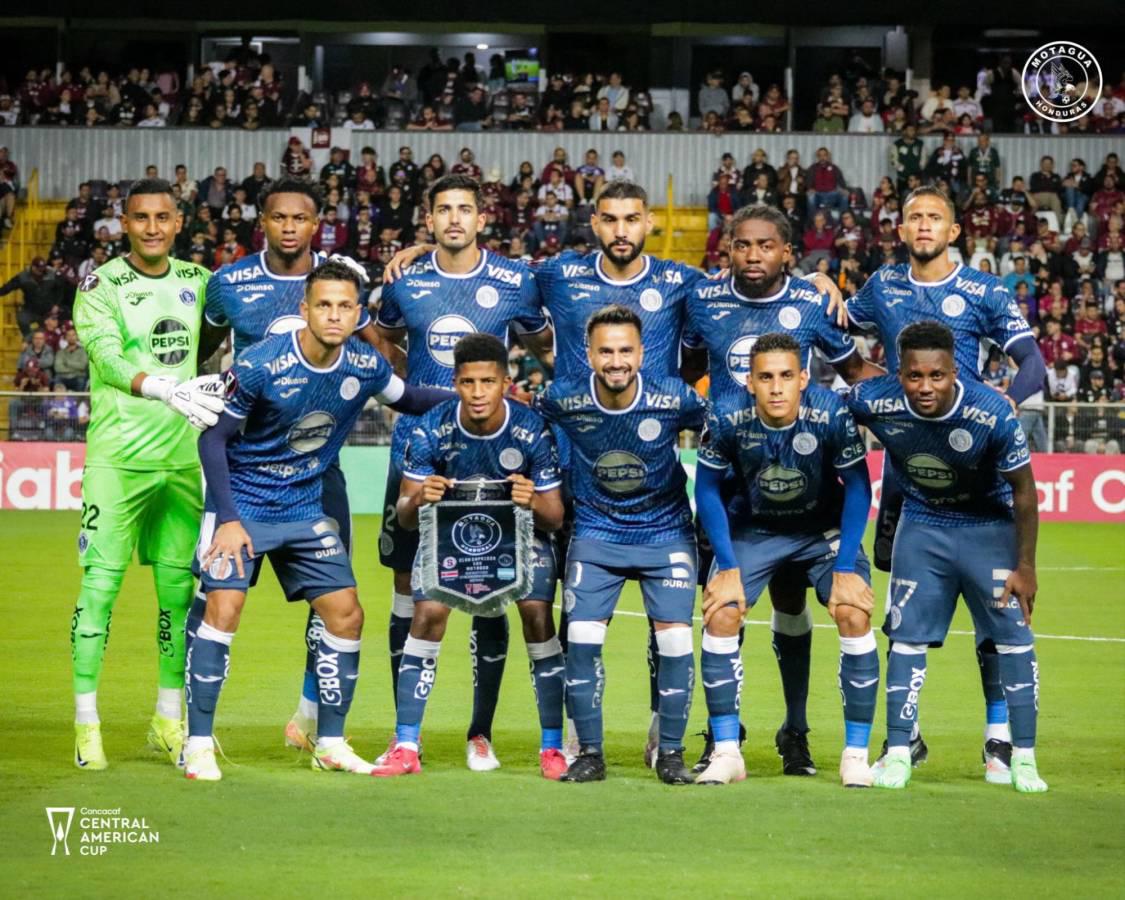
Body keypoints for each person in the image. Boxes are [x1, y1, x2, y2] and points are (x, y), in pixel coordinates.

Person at [185, 260, 450, 781]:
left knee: (347, 615)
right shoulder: (261, 364)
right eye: (323, 305)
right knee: (225, 608)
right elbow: (212, 439)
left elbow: (414, 399)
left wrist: (473, 398)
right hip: (244, 503)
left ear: (358, 313)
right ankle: (197, 744)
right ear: (305, 310)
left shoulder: (365, 366)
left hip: (305, 508)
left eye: (344, 306)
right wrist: (229, 521)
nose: (334, 315)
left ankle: (328, 741)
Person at [826, 186, 1047, 778]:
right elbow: (835, 329)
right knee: (903, 605)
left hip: (974, 462)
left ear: (954, 232)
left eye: (935, 218)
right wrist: (818, 286)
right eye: (914, 217)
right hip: (908, 472)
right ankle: (908, 735)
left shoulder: (983, 290)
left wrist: (1003, 400)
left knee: (989, 612)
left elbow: (1034, 364)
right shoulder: (881, 286)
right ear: (901, 229)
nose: (924, 226)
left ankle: (1000, 736)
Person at [196, 177, 402, 754]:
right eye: (278, 217)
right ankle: (194, 729)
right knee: (217, 595)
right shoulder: (230, 282)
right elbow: (206, 349)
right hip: (247, 467)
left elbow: (374, 362)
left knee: (334, 595)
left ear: (318, 224)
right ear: (262, 219)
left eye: (301, 218)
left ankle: (311, 718)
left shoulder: (341, 280)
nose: (289, 227)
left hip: (318, 471)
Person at [683, 204, 882, 775]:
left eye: (766, 246)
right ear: (727, 250)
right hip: (742, 504)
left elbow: (859, 374)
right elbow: (682, 362)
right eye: (742, 245)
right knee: (724, 607)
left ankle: (800, 733)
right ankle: (724, 740)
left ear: (786, 252)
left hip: (810, 508)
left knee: (803, 610)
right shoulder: (702, 300)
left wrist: (921, 415)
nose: (753, 256)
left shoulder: (814, 302)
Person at [373, 174, 552, 770]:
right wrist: (414, 396)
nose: (454, 218)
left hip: (490, 461)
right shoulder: (406, 282)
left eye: (465, 209)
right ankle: (407, 735)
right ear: (428, 219)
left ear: (482, 219)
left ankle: (482, 732)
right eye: (443, 209)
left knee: (491, 588)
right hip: (418, 454)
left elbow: (549, 344)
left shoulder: (513, 281)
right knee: (408, 590)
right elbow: (384, 341)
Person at [846, 321, 1047, 793]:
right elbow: (826, 408)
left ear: (955, 371)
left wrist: (1027, 567)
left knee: (1014, 641)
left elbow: (1025, 491)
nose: (925, 386)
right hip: (923, 527)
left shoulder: (992, 411)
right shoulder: (876, 400)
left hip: (989, 528)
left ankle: (1025, 757)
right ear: (900, 373)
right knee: (907, 639)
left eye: (936, 376)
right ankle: (899, 752)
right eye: (914, 376)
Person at [69, 178, 226, 772]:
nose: (153, 227)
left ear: (179, 221)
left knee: (176, 594)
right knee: (99, 589)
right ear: (124, 223)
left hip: (182, 461)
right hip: (116, 460)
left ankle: (168, 717)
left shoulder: (198, 281)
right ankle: (87, 723)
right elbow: (106, 357)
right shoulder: (100, 284)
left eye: (163, 217)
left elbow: (235, 330)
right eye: (141, 218)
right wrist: (163, 386)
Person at [374, 334, 567, 779]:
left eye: (487, 382)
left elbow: (554, 516)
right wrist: (420, 496)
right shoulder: (430, 426)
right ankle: (406, 743)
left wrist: (531, 500)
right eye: (467, 382)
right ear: (455, 382)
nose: (477, 393)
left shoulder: (531, 428)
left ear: (505, 381)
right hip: (449, 535)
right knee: (428, 612)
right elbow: (404, 517)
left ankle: (552, 747)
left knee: (537, 612)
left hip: (519, 536)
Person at [695, 332, 876, 787]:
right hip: (755, 529)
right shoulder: (727, 414)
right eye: (765, 378)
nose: (776, 387)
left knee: (853, 613)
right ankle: (726, 751)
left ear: (803, 379)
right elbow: (707, 490)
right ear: (750, 383)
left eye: (785, 377)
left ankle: (856, 755)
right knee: (722, 614)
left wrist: (846, 567)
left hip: (821, 530)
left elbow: (857, 486)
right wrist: (729, 567)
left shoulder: (831, 413)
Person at [536, 304, 707, 784]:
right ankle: (589, 753)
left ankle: (670, 753)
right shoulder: (562, 398)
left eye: (625, 350)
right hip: (596, 533)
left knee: (674, 642)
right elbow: (527, 431)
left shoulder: (674, 397)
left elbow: (724, 436)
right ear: (588, 354)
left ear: (642, 351)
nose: (616, 361)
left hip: (666, 532)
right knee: (583, 643)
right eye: (606, 351)